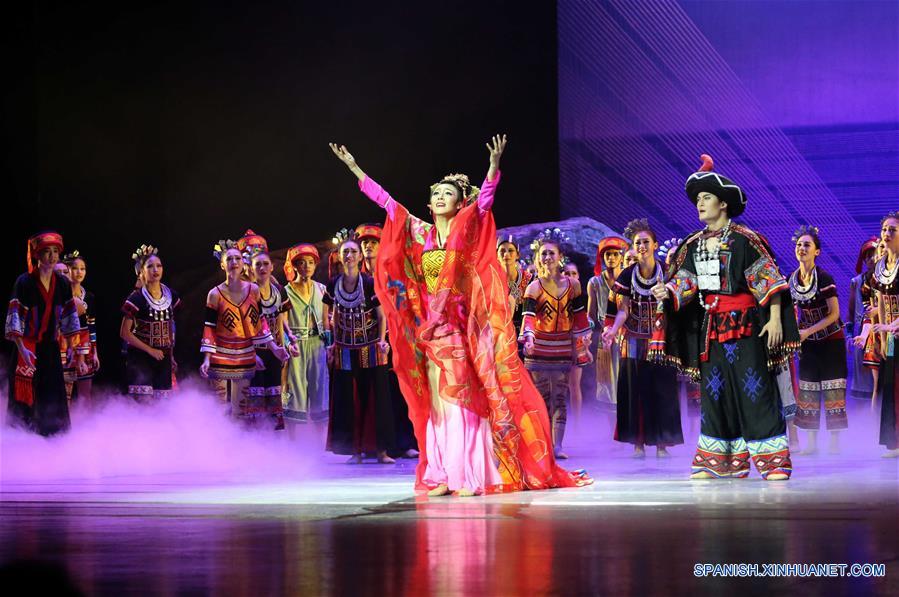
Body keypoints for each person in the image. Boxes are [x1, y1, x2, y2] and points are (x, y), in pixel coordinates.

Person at [329, 135, 590, 495]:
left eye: (448, 193)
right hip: (431, 327)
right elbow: (387, 202)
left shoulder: (466, 228)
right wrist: (355, 168)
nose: (440, 197)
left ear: (459, 202)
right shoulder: (420, 232)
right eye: (436, 192)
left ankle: (469, 473)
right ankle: (442, 473)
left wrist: (493, 167)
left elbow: (485, 203)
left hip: (465, 326)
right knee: (436, 400)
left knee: (463, 397)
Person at [654, 155, 800, 480]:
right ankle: (718, 460)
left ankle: (773, 460)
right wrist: (669, 291)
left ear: (723, 203)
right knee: (715, 393)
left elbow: (768, 280)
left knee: (755, 391)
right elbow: (686, 281)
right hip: (711, 328)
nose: (699, 204)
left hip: (746, 326)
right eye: (697, 199)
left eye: (706, 197)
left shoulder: (745, 239)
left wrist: (775, 318)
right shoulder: (693, 245)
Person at [602, 219, 683, 458]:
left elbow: (679, 303)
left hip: (661, 340)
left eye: (646, 242)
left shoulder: (667, 273)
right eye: (638, 243)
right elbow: (622, 310)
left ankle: (661, 444)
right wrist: (613, 330)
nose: (642, 246)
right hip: (633, 340)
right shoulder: (627, 275)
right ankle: (638, 443)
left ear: (655, 245)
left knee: (662, 389)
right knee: (636, 391)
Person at [324, 234, 396, 464]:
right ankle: (355, 451)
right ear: (339, 256)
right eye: (345, 252)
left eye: (353, 252)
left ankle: (381, 451)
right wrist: (332, 342)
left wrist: (382, 341)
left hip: (371, 346)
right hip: (345, 348)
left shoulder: (369, 282)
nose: (349, 255)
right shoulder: (333, 283)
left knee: (376, 398)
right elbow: (331, 314)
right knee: (350, 399)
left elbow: (381, 315)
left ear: (359, 257)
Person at [521, 232, 592, 459]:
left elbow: (580, 317)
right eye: (544, 254)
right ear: (538, 257)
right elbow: (528, 317)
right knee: (542, 398)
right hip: (539, 349)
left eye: (551, 253)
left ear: (560, 256)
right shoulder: (533, 288)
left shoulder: (573, 286)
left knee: (560, 397)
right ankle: (543, 444)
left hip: (562, 348)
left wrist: (583, 343)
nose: (547, 257)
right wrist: (529, 337)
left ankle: (558, 446)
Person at [6, 232, 85, 435]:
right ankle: (23, 440)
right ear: (37, 255)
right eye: (47, 252)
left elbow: (69, 316)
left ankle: (53, 440)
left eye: (55, 252)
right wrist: (22, 350)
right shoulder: (24, 282)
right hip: (27, 348)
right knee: (27, 398)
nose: (52, 256)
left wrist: (71, 346)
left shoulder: (63, 283)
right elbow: (15, 317)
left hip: (51, 349)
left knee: (52, 395)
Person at [200, 241, 288, 418]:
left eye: (237, 258)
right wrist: (207, 358)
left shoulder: (253, 290)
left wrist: (274, 347)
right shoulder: (214, 294)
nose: (234, 262)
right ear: (222, 265)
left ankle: (239, 436)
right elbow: (209, 328)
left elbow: (259, 323)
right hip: (221, 354)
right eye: (229, 259)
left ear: (243, 263)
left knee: (241, 409)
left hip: (244, 354)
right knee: (220, 408)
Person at [356, 222, 419, 458]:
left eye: (373, 242)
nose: (368, 246)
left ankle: (404, 442)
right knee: (369, 391)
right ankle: (374, 445)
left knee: (397, 389)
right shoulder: (357, 277)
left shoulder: (392, 272)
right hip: (364, 341)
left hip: (393, 338)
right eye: (365, 243)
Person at [789, 226, 848, 453]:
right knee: (808, 390)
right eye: (799, 245)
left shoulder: (824, 278)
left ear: (817, 251)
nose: (802, 248)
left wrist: (808, 331)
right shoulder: (792, 279)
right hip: (808, 343)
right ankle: (811, 443)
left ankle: (834, 442)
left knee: (833, 389)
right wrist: (795, 334)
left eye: (807, 245)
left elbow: (834, 314)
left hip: (831, 341)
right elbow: (792, 313)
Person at [854, 212, 899, 457]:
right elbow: (880, 302)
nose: (887, 233)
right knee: (890, 386)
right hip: (891, 337)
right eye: (884, 229)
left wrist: (893, 325)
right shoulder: (881, 267)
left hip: (896, 329)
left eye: (892, 229)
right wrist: (882, 335)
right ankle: (894, 442)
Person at [121, 245, 181, 401]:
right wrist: (150, 350)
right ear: (141, 272)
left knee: (163, 405)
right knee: (143, 405)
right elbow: (125, 333)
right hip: (141, 357)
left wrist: (171, 356)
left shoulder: (171, 296)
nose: (155, 270)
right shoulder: (136, 299)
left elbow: (170, 327)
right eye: (150, 266)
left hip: (163, 357)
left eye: (159, 266)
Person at [281, 243, 331, 428]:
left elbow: (326, 321)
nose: (307, 266)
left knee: (320, 388)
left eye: (311, 262)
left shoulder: (322, 289)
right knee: (295, 389)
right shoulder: (286, 292)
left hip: (318, 344)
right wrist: (288, 344)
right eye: (302, 262)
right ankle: (293, 439)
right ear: (295, 266)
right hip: (297, 347)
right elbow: (283, 323)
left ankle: (321, 439)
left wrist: (330, 346)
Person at [247, 246, 287, 430]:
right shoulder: (247, 292)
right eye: (258, 265)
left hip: (274, 351)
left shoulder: (279, 291)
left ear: (272, 267)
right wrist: (250, 354)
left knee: (274, 393)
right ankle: (256, 439)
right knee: (255, 395)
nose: (262, 268)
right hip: (255, 352)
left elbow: (281, 321)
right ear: (251, 268)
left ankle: (274, 440)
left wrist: (284, 346)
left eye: (265, 264)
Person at [586, 236, 628, 413]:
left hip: (627, 333)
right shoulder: (595, 283)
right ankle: (611, 424)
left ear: (621, 257)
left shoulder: (628, 279)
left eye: (615, 254)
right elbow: (591, 315)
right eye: (607, 254)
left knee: (626, 379)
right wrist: (586, 333)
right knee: (607, 386)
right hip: (606, 336)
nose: (611, 258)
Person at [60, 251, 99, 405]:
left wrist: (95, 352)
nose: (79, 272)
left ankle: (86, 419)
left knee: (85, 395)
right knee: (65, 394)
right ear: (66, 270)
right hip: (65, 347)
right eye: (75, 268)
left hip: (86, 348)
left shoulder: (89, 297)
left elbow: (91, 326)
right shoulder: (61, 296)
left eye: (82, 269)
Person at [847, 238, 879, 402]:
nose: (871, 259)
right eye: (867, 256)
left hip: (884, 333)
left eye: (874, 254)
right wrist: (848, 335)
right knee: (863, 379)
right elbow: (851, 311)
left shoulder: (889, 279)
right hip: (863, 335)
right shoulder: (857, 282)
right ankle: (865, 414)